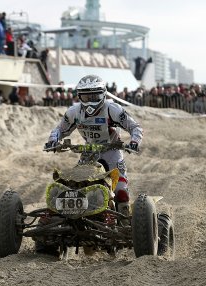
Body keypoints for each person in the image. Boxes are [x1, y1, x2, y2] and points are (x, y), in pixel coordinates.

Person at [45, 75, 143, 215]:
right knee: (75, 186)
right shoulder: (74, 112)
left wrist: (134, 142)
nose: (90, 101)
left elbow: (135, 127)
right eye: (86, 97)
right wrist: (53, 140)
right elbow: (60, 129)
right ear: (79, 96)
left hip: (112, 151)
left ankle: (124, 221)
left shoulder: (112, 109)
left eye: (94, 96)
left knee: (120, 191)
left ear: (103, 94)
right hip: (88, 152)